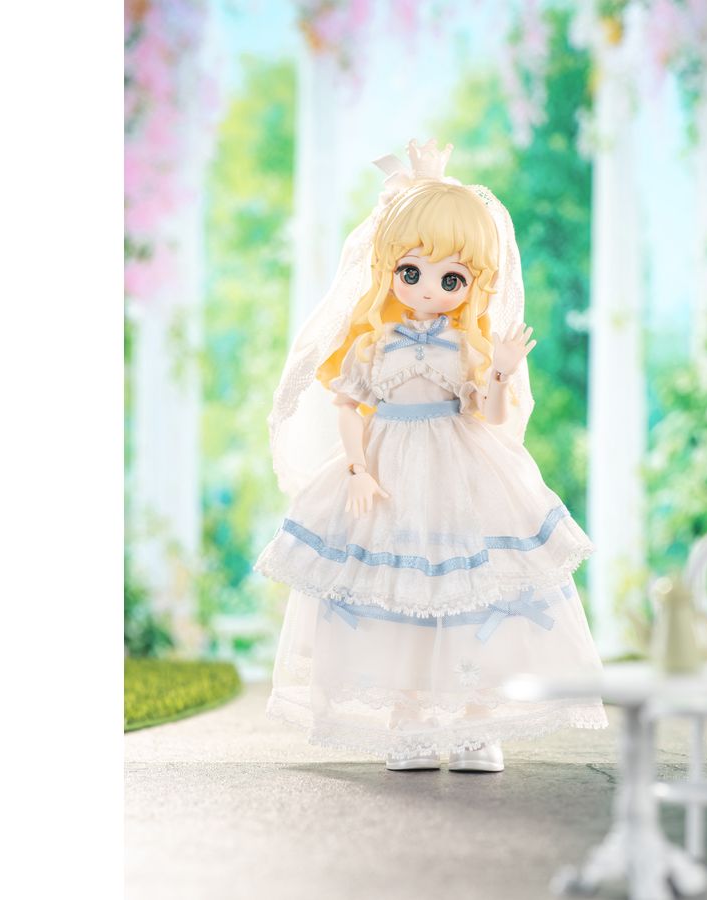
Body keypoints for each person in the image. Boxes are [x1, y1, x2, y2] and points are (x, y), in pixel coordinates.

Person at [254, 139, 607, 772]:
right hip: (388, 464)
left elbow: (488, 416)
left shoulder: (467, 347)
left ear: (474, 283)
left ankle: (475, 720)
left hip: (459, 465)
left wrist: (501, 371)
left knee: (467, 582)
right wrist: (358, 469)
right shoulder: (374, 346)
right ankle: (409, 715)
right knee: (396, 584)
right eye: (410, 272)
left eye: (452, 279)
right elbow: (347, 407)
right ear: (388, 270)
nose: (428, 288)